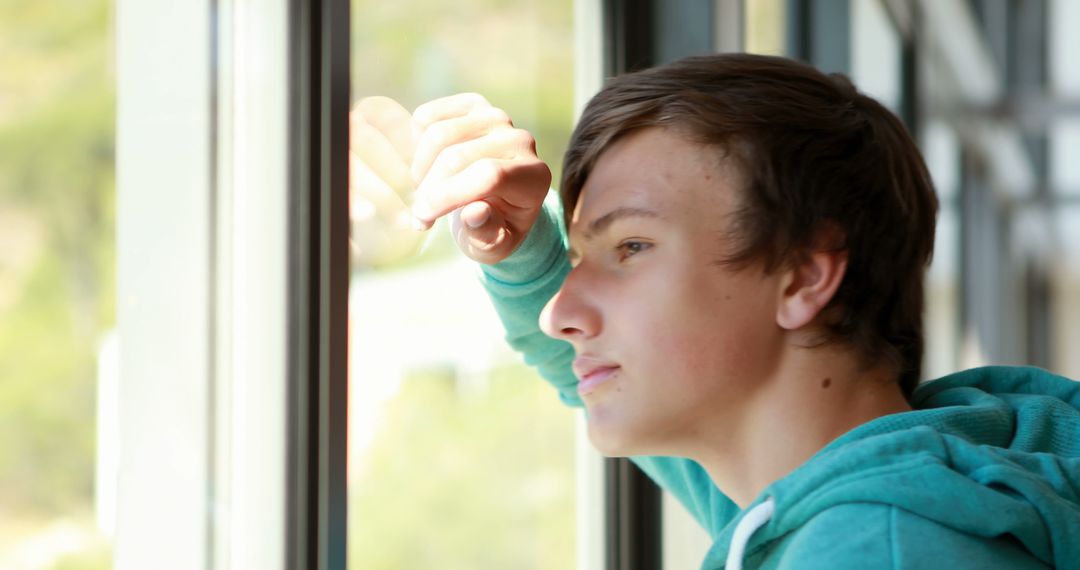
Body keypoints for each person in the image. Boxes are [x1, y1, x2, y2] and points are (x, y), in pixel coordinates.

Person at [351, 53, 1080, 569]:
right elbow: (587, 361)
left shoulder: (877, 546)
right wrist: (514, 246)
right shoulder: (866, 491)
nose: (560, 314)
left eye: (631, 247)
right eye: (579, 260)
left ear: (803, 276)